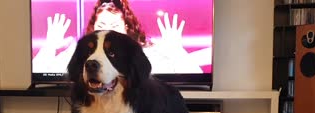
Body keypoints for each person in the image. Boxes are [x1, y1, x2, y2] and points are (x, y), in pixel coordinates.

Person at [33, 0, 208, 74]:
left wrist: (177, 52)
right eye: (101, 27)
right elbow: (39, 72)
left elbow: (195, 76)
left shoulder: (148, 53)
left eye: (114, 27)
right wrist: (49, 47)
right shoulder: (82, 53)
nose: (107, 34)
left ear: (126, 28)